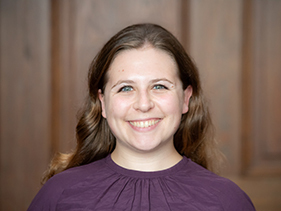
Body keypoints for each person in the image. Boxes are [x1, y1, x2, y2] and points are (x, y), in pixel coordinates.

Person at [28, 23, 255, 210]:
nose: (144, 104)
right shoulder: (58, 195)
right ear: (103, 103)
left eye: (159, 86)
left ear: (185, 98)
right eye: (126, 88)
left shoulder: (229, 201)